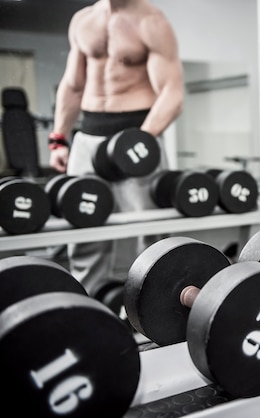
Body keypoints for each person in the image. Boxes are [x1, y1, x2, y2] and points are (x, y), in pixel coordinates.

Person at [48, 0, 184, 295]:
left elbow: (173, 92)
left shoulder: (151, 21)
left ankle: (153, 309)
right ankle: (89, 308)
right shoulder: (83, 20)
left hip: (136, 133)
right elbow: (72, 85)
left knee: (149, 232)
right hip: (88, 135)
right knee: (84, 228)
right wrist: (59, 137)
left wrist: (140, 143)